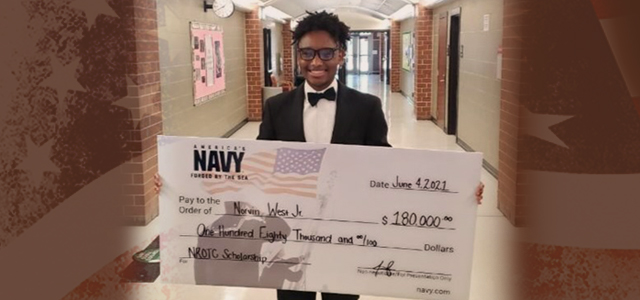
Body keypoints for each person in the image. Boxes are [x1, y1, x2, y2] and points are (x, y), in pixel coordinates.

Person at [155, 10, 484, 300]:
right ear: (297, 55)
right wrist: (178, 184)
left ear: (341, 54)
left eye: (326, 52)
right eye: (307, 53)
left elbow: (386, 170)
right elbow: (251, 170)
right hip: (285, 239)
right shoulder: (276, 108)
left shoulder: (367, 107)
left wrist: (455, 191)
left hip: (346, 236)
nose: (316, 62)